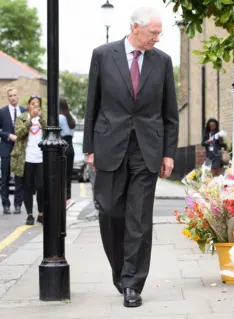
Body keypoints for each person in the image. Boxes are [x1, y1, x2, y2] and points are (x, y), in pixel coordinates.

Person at [83, 7, 179, 308]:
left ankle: (132, 283)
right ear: (135, 28)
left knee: (139, 218)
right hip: (110, 145)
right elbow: (92, 104)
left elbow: (170, 112)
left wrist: (168, 153)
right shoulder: (103, 55)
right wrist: (89, 147)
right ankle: (120, 272)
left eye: (159, 33)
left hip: (146, 148)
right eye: (153, 33)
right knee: (110, 211)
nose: (157, 39)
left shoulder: (162, 62)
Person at [11, 95, 46, 225]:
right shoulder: (21, 118)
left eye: (37, 104)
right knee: (27, 187)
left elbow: (50, 132)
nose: (35, 106)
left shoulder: (43, 118)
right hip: (26, 159)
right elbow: (19, 133)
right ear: (28, 105)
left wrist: (41, 120)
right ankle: (30, 214)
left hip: (40, 158)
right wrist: (30, 120)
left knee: (41, 187)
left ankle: (41, 213)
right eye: (32, 104)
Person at [0, 88, 26, 215]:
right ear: (8, 97)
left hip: (20, 149)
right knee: (4, 178)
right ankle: (5, 204)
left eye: (15, 95)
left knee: (19, 179)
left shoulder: (25, 111)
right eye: (10, 96)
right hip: (6, 148)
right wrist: (9, 136)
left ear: (18, 96)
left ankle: (18, 205)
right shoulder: (2, 111)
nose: (13, 97)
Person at [59, 98, 76, 208]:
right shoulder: (71, 118)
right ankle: (68, 197)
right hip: (71, 148)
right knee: (68, 174)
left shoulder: (60, 117)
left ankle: (62, 197)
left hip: (63, 146)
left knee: (61, 174)